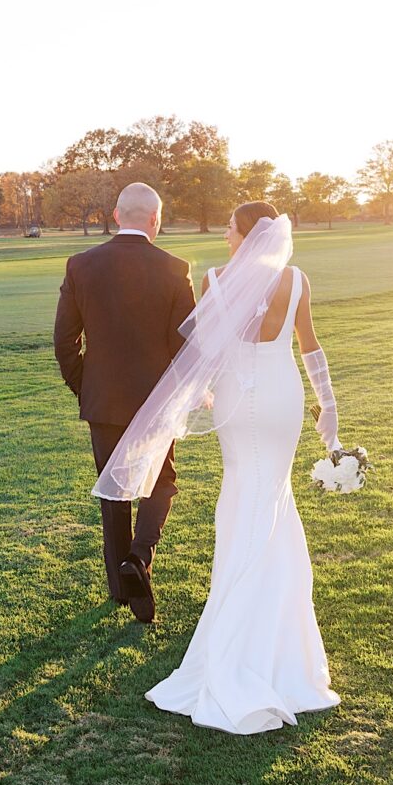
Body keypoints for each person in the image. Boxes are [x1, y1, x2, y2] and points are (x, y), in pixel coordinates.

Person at [96, 201, 344, 733]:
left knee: (243, 495)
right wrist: (329, 404)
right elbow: (311, 348)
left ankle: (238, 625)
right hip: (282, 400)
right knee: (271, 496)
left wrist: (189, 402)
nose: (227, 237)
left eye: (230, 229)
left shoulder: (214, 280)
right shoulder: (296, 279)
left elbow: (203, 356)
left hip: (236, 400)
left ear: (245, 235)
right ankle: (279, 641)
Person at [53, 182, 195, 623]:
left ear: (116, 215)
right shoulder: (175, 268)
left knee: (112, 492)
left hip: (104, 401)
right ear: (155, 220)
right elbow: (187, 347)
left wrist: (86, 386)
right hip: (157, 402)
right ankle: (138, 557)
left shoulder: (81, 265)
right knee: (161, 483)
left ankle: (121, 589)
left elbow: (64, 342)